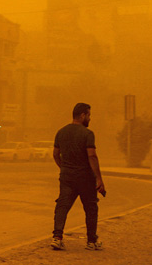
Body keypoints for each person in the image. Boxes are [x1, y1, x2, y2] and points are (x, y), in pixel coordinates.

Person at [51, 103, 105, 251]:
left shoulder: (61, 132)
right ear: (82, 116)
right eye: (88, 115)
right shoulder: (87, 134)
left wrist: (64, 168)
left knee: (62, 206)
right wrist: (99, 179)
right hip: (85, 178)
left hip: (67, 177)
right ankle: (91, 241)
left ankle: (57, 237)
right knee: (91, 208)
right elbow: (92, 156)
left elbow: (55, 154)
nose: (89, 118)